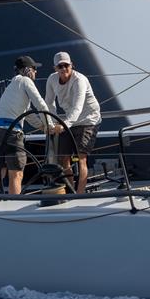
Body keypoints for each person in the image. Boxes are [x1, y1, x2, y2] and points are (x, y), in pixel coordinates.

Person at [0, 56, 56, 195]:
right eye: (34, 69)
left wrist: (43, 127)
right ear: (28, 70)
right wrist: (51, 126)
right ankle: (15, 210)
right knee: (16, 175)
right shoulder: (26, 81)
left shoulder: (12, 86)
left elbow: (27, 113)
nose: (36, 72)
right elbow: (40, 104)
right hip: (11, 133)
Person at [45, 51, 102, 194]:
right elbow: (49, 103)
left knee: (81, 158)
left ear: (72, 65)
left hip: (89, 119)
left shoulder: (79, 80)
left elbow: (78, 107)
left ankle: (80, 195)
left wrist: (63, 125)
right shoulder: (52, 80)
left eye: (66, 65)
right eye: (60, 66)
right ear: (55, 68)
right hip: (69, 122)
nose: (64, 69)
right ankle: (71, 192)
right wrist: (51, 123)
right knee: (63, 159)